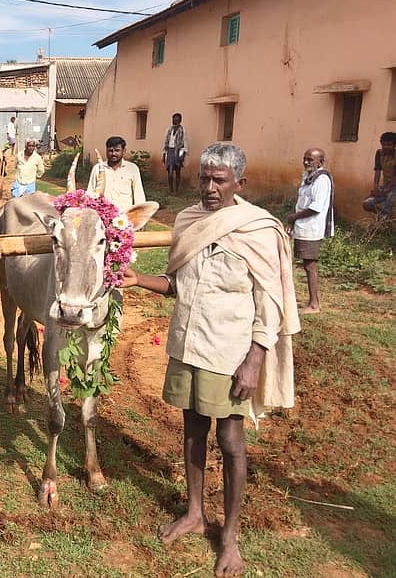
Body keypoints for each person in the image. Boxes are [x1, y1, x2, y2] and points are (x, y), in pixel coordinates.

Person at [122, 143, 299, 578]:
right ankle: (195, 512)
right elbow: (178, 285)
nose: (210, 188)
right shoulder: (188, 220)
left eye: (220, 180)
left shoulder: (257, 230)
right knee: (191, 430)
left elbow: (269, 302)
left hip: (230, 351)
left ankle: (230, 537)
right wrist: (138, 279)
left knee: (232, 441)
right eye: (204, 178)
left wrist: (255, 358)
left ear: (241, 183)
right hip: (188, 344)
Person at [286, 148, 334, 315]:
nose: (306, 162)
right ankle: (311, 301)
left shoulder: (321, 180)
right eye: (305, 159)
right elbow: (301, 202)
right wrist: (293, 221)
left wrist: (294, 217)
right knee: (306, 264)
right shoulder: (307, 177)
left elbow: (315, 207)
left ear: (320, 162)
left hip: (311, 227)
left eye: (310, 160)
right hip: (302, 225)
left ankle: (314, 304)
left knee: (310, 265)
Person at [87, 135, 146, 208]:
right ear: (106, 151)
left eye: (117, 150)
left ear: (124, 151)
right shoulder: (98, 168)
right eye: (110, 151)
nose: (113, 154)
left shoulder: (132, 169)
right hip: (102, 214)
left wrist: (140, 214)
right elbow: (90, 192)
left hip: (124, 215)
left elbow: (139, 195)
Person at [362, 131, 396, 218]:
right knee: (367, 204)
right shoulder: (379, 153)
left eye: (389, 145)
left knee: (390, 199)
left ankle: (382, 221)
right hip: (386, 186)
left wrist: (387, 189)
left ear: (394, 146)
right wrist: (376, 187)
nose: (386, 147)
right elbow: (377, 170)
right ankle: (384, 217)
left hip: (393, 187)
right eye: (384, 144)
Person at [162, 113, 189, 193]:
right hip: (169, 151)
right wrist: (163, 154)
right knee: (170, 172)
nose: (175, 120)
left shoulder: (183, 130)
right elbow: (165, 142)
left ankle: (177, 190)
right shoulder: (169, 130)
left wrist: (183, 155)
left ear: (180, 120)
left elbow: (185, 142)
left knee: (177, 171)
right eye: (174, 119)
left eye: (177, 119)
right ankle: (171, 190)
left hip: (179, 151)